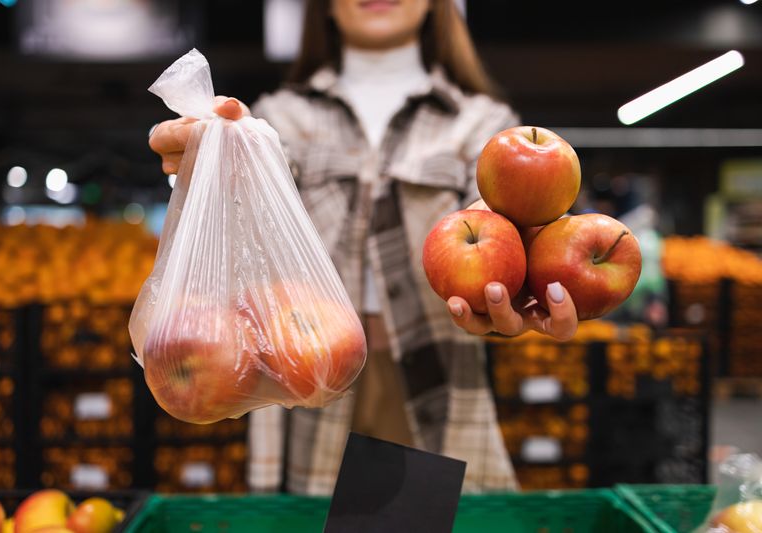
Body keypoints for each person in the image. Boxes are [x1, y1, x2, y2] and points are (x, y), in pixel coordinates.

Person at [149, 0, 579, 495]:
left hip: (432, 382)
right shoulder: (280, 119)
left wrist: (530, 260)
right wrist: (219, 149)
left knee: (423, 523)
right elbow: (247, 216)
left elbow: (497, 230)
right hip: (305, 379)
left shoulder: (482, 124)